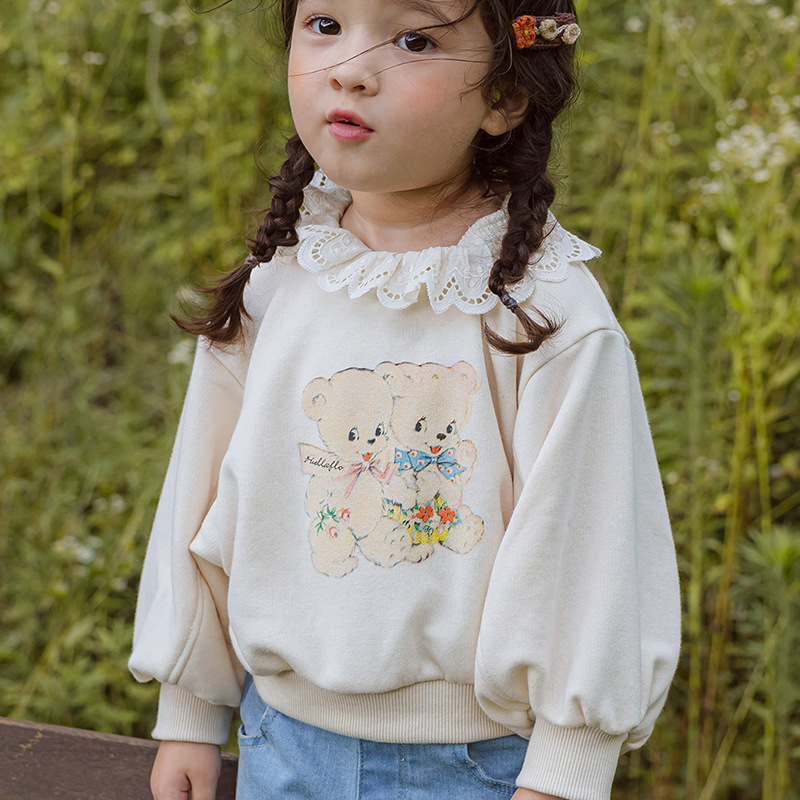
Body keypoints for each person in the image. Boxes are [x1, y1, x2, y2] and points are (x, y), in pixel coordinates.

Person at [129, 1, 681, 799]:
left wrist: (566, 769)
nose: (350, 69)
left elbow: (593, 548)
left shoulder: (545, 313)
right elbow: (203, 497)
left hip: (478, 768)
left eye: (415, 39)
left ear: (505, 97)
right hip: (279, 744)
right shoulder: (280, 280)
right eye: (325, 24)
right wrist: (189, 707)